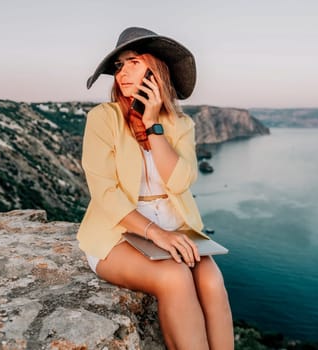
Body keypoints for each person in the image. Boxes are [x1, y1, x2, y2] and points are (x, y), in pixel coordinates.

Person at [78, 27, 234, 350]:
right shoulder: (103, 119)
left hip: (174, 227)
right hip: (117, 232)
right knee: (174, 278)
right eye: (118, 66)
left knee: (212, 280)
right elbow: (105, 194)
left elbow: (180, 182)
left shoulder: (180, 125)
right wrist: (155, 233)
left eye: (132, 62)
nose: (122, 73)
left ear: (156, 68)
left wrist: (153, 125)